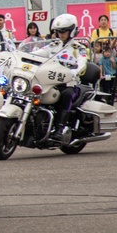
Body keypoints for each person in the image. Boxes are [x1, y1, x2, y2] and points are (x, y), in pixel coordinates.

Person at [49, 14, 89, 143]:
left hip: (69, 85)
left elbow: (82, 62)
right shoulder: (53, 45)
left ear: (71, 30)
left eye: (64, 31)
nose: (61, 34)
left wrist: (75, 71)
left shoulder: (79, 48)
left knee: (66, 95)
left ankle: (59, 129)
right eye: (58, 31)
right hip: (50, 83)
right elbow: (35, 54)